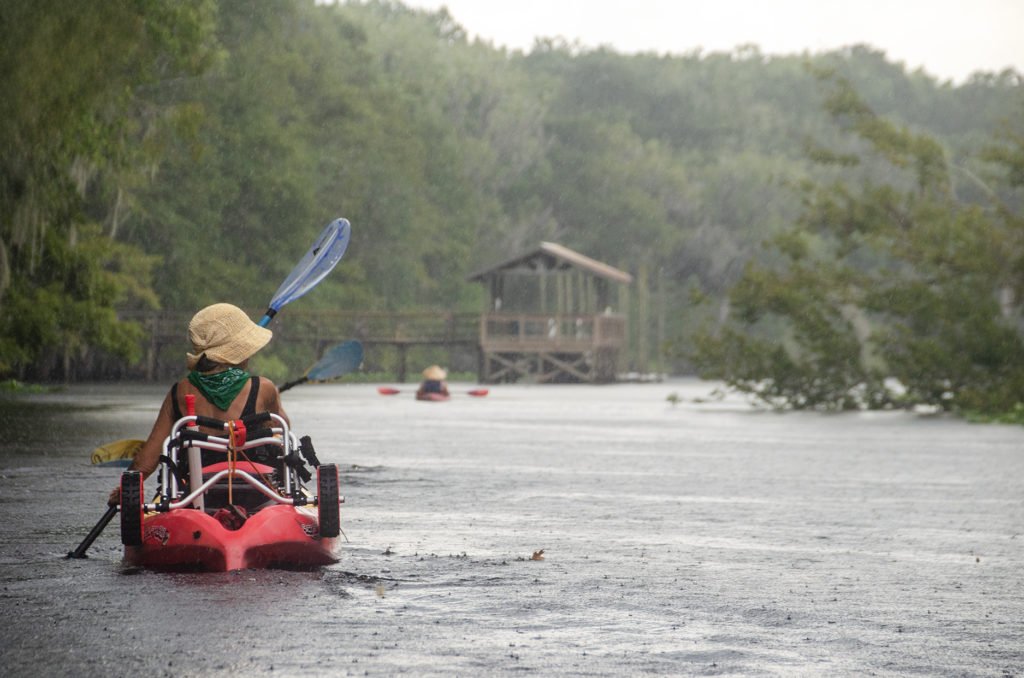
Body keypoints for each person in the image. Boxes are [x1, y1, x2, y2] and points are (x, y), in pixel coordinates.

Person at [108, 303, 288, 506]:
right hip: (257, 493)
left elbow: (147, 461)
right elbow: (283, 433)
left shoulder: (179, 392)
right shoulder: (264, 388)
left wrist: (126, 488)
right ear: (239, 352)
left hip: (197, 495)